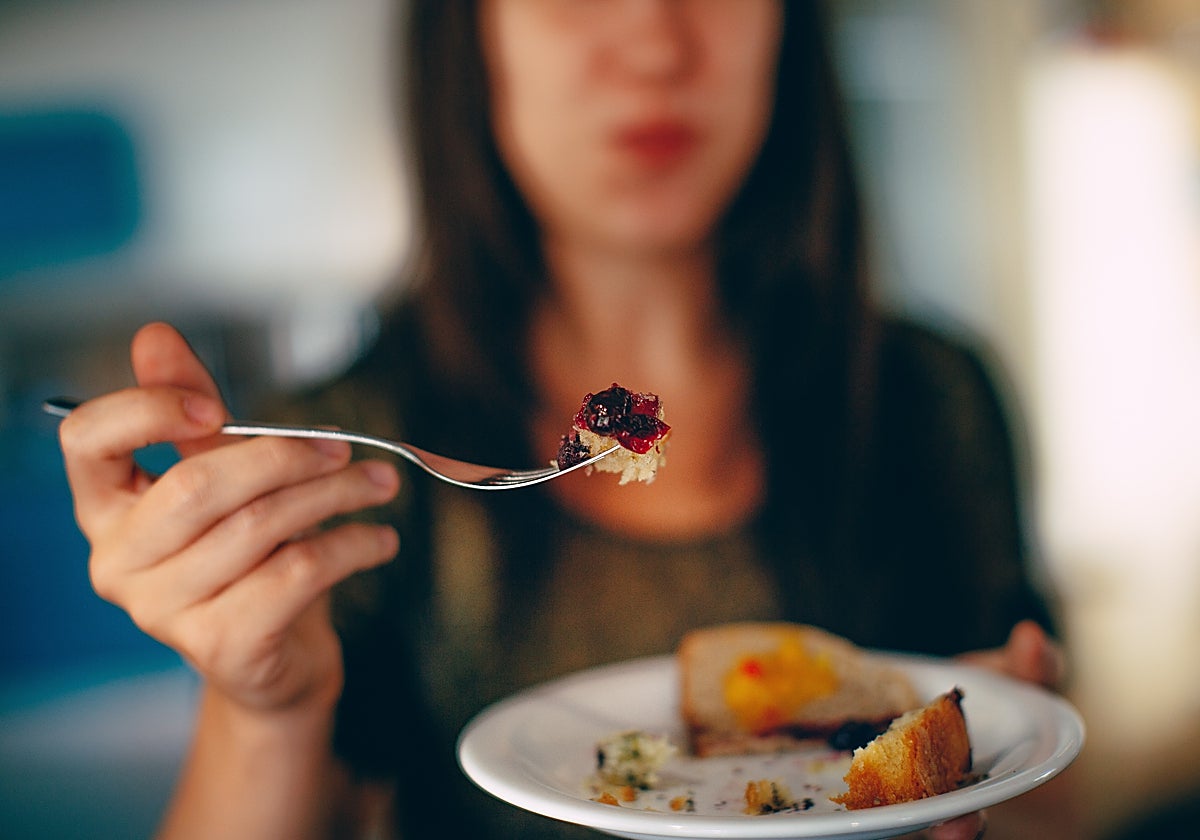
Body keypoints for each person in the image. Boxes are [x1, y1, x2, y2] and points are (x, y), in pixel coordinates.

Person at [53, 2, 1072, 838]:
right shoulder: (332, 460)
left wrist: (991, 779)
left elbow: (1043, 802)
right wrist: (267, 708)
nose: (657, 41)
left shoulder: (935, 397)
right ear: (471, 32)